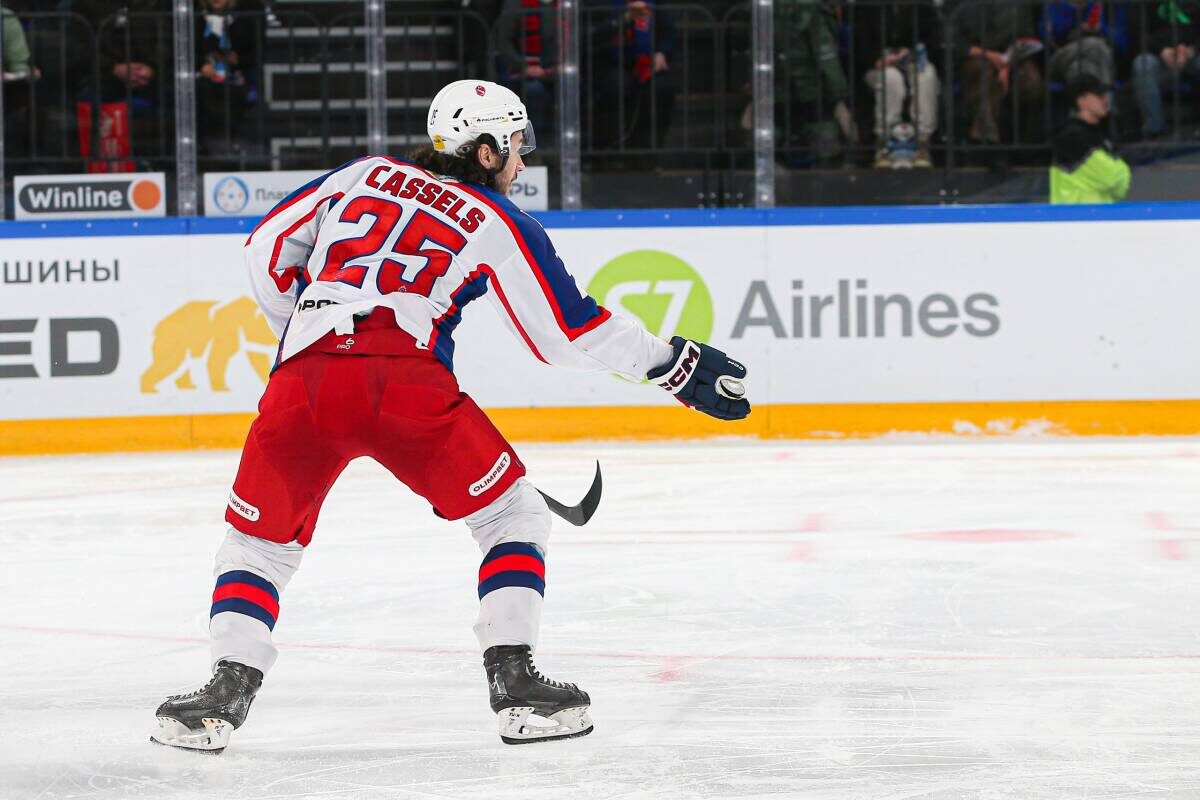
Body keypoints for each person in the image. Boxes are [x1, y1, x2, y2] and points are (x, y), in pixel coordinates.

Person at [149, 79, 750, 753]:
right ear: (486, 149)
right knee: (512, 515)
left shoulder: (362, 173)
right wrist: (676, 365)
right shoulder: (496, 220)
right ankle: (516, 686)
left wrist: (307, 333)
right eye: (517, 145)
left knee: (258, 544)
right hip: (409, 386)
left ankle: (223, 694)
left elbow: (265, 250)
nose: (522, 162)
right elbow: (566, 332)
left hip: (304, 383)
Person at [857, 1, 942, 169]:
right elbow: (859, 45)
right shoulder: (867, 7)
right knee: (891, 78)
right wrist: (878, 59)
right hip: (878, 66)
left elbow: (935, 41)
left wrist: (911, 52)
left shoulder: (924, 6)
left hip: (913, 61)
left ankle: (922, 143)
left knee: (926, 75)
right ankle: (885, 143)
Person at [954, 4, 1044, 156]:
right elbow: (950, 40)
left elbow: (1025, 36)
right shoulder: (960, 6)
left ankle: (1029, 147)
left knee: (1032, 81)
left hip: (1012, 58)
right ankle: (986, 143)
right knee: (988, 74)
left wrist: (1006, 63)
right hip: (972, 58)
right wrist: (990, 57)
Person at [1050, 74, 1130, 203]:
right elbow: (1112, 178)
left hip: (1095, 215)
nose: (1105, 99)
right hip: (1076, 218)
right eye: (1099, 95)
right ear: (1081, 101)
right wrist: (1121, 169)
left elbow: (1122, 186)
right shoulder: (1071, 136)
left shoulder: (1097, 132)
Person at [494, 0, 559, 148]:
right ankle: (535, 151)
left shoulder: (564, 5)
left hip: (557, 71)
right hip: (523, 71)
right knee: (534, 91)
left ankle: (560, 152)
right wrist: (524, 67)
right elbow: (504, 42)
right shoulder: (515, 4)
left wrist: (562, 65)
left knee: (574, 90)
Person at [1131, 0, 1200, 139]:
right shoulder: (1144, 5)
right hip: (1159, 58)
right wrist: (1162, 51)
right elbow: (1137, 35)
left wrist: (1193, 50)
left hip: (1193, 55)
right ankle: (1155, 130)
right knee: (1143, 64)